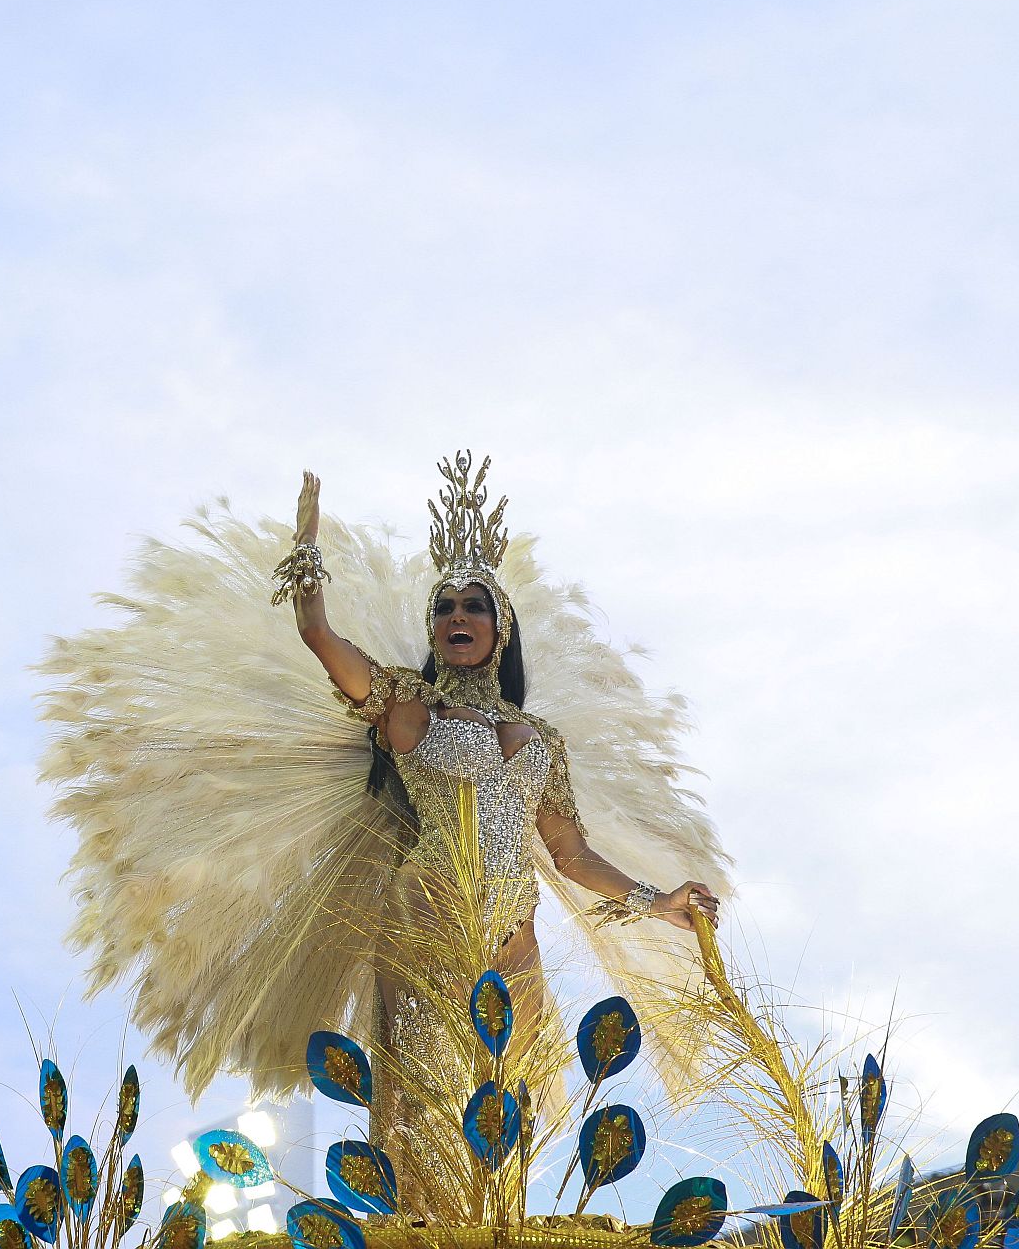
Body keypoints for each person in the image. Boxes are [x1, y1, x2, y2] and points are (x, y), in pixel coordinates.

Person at [273, 459, 720, 1199]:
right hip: (425, 924)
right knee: (419, 1121)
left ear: (500, 628)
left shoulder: (539, 736)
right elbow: (318, 634)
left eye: (474, 605)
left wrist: (658, 900)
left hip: (513, 943)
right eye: (444, 606)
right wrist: (307, 547)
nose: (456, 616)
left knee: (494, 1131)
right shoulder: (409, 704)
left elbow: (570, 854)